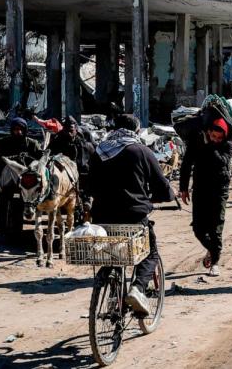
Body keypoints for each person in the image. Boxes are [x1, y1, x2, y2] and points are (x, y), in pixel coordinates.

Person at [87, 114, 174, 316]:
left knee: (111, 256)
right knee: (150, 252)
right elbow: (161, 186)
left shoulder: (99, 152)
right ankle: (138, 289)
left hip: (101, 218)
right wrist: (164, 196)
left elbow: (89, 186)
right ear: (136, 131)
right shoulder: (141, 151)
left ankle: (112, 298)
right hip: (133, 216)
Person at [178, 116, 232, 277]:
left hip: (219, 190)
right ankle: (212, 249)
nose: (216, 140)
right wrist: (183, 188)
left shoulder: (228, 145)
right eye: (213, 136)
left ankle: (215, 263)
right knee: (198, 228)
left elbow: (222, 162)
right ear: (208, 131)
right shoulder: (197, 142)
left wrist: (209, 145)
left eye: (219, 138)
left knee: (216, 227)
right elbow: (187, 164)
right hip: (200, 189)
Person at [0, 117, 43, 191]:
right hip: (9, 168)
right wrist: (9, 159)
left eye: (21, 129)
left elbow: (40, 158)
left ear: (25, 130)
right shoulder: (4, 143)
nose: (19, 132)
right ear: (12, 130)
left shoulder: (32, 143)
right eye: (16, 129)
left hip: (27, 170)